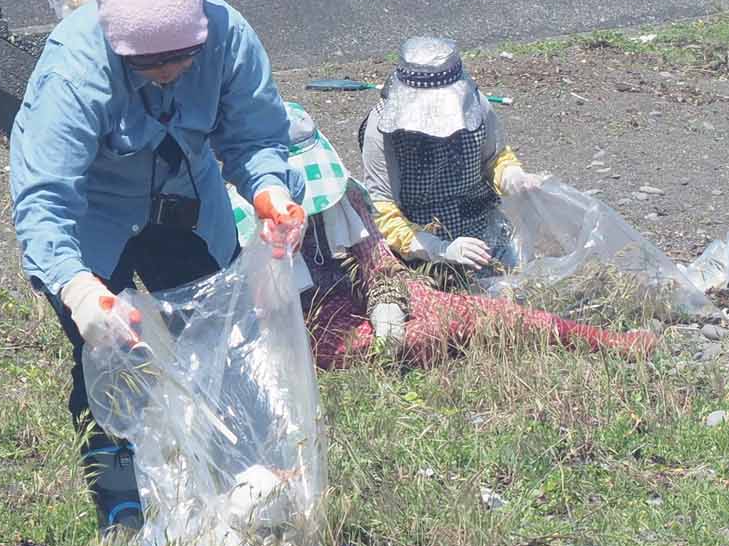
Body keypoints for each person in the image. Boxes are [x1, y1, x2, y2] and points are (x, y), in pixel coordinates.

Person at [10, 0, 305, 539]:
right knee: (112, 361)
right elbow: (44, 198)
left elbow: (254, 136)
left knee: (225, 341)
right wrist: (79, 291)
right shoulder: (73, 68)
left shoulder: (226, 34)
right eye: (149, 65)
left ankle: (246, 481)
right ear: (119, 50)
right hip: (98, 222)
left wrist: (270, 190)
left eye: (183, 58)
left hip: (190, 207)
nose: (170, 72)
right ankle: (125, 504)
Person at [280, 104, 653, 367]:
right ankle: (428, 351)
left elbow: (376, 257)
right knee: (402, 341)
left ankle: (600, 340)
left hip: (362, 294)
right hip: (306, 320)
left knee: (483, 313)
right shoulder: (246, 212)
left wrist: (387, 301)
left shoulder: (346, 198)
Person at [357, 37, 544, 285]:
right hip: (421, 248)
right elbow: (383, 209)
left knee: (522, 288)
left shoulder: (476, 105)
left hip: (481, 226)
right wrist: (441, 249)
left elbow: (495, 159)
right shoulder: (380, 132)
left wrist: (513, 178)